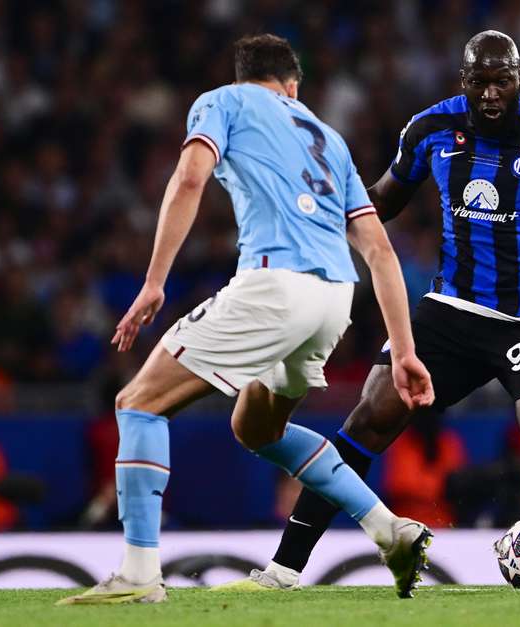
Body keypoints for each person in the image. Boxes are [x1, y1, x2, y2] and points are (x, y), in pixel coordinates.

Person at [256, 30, 520, 589]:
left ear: (519, 79)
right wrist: (322, 224)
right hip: (451, 307)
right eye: (479, 81)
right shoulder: (430, 129)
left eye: (501, 81)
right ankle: (284, 570)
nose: (490, 93)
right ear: (464, 81)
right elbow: (384, 197)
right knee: (365, 421)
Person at [58, 34, 435, 605]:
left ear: (246, 77)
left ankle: (138, 571)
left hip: (275, 285)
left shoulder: (223, 101)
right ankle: (389, 528)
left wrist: (155, 281)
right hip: (335, 299)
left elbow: (189, 179)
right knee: (257, 428)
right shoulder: (329, 138)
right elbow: (381, 253)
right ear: (292, 85)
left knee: (137, 403)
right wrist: (404, 351)